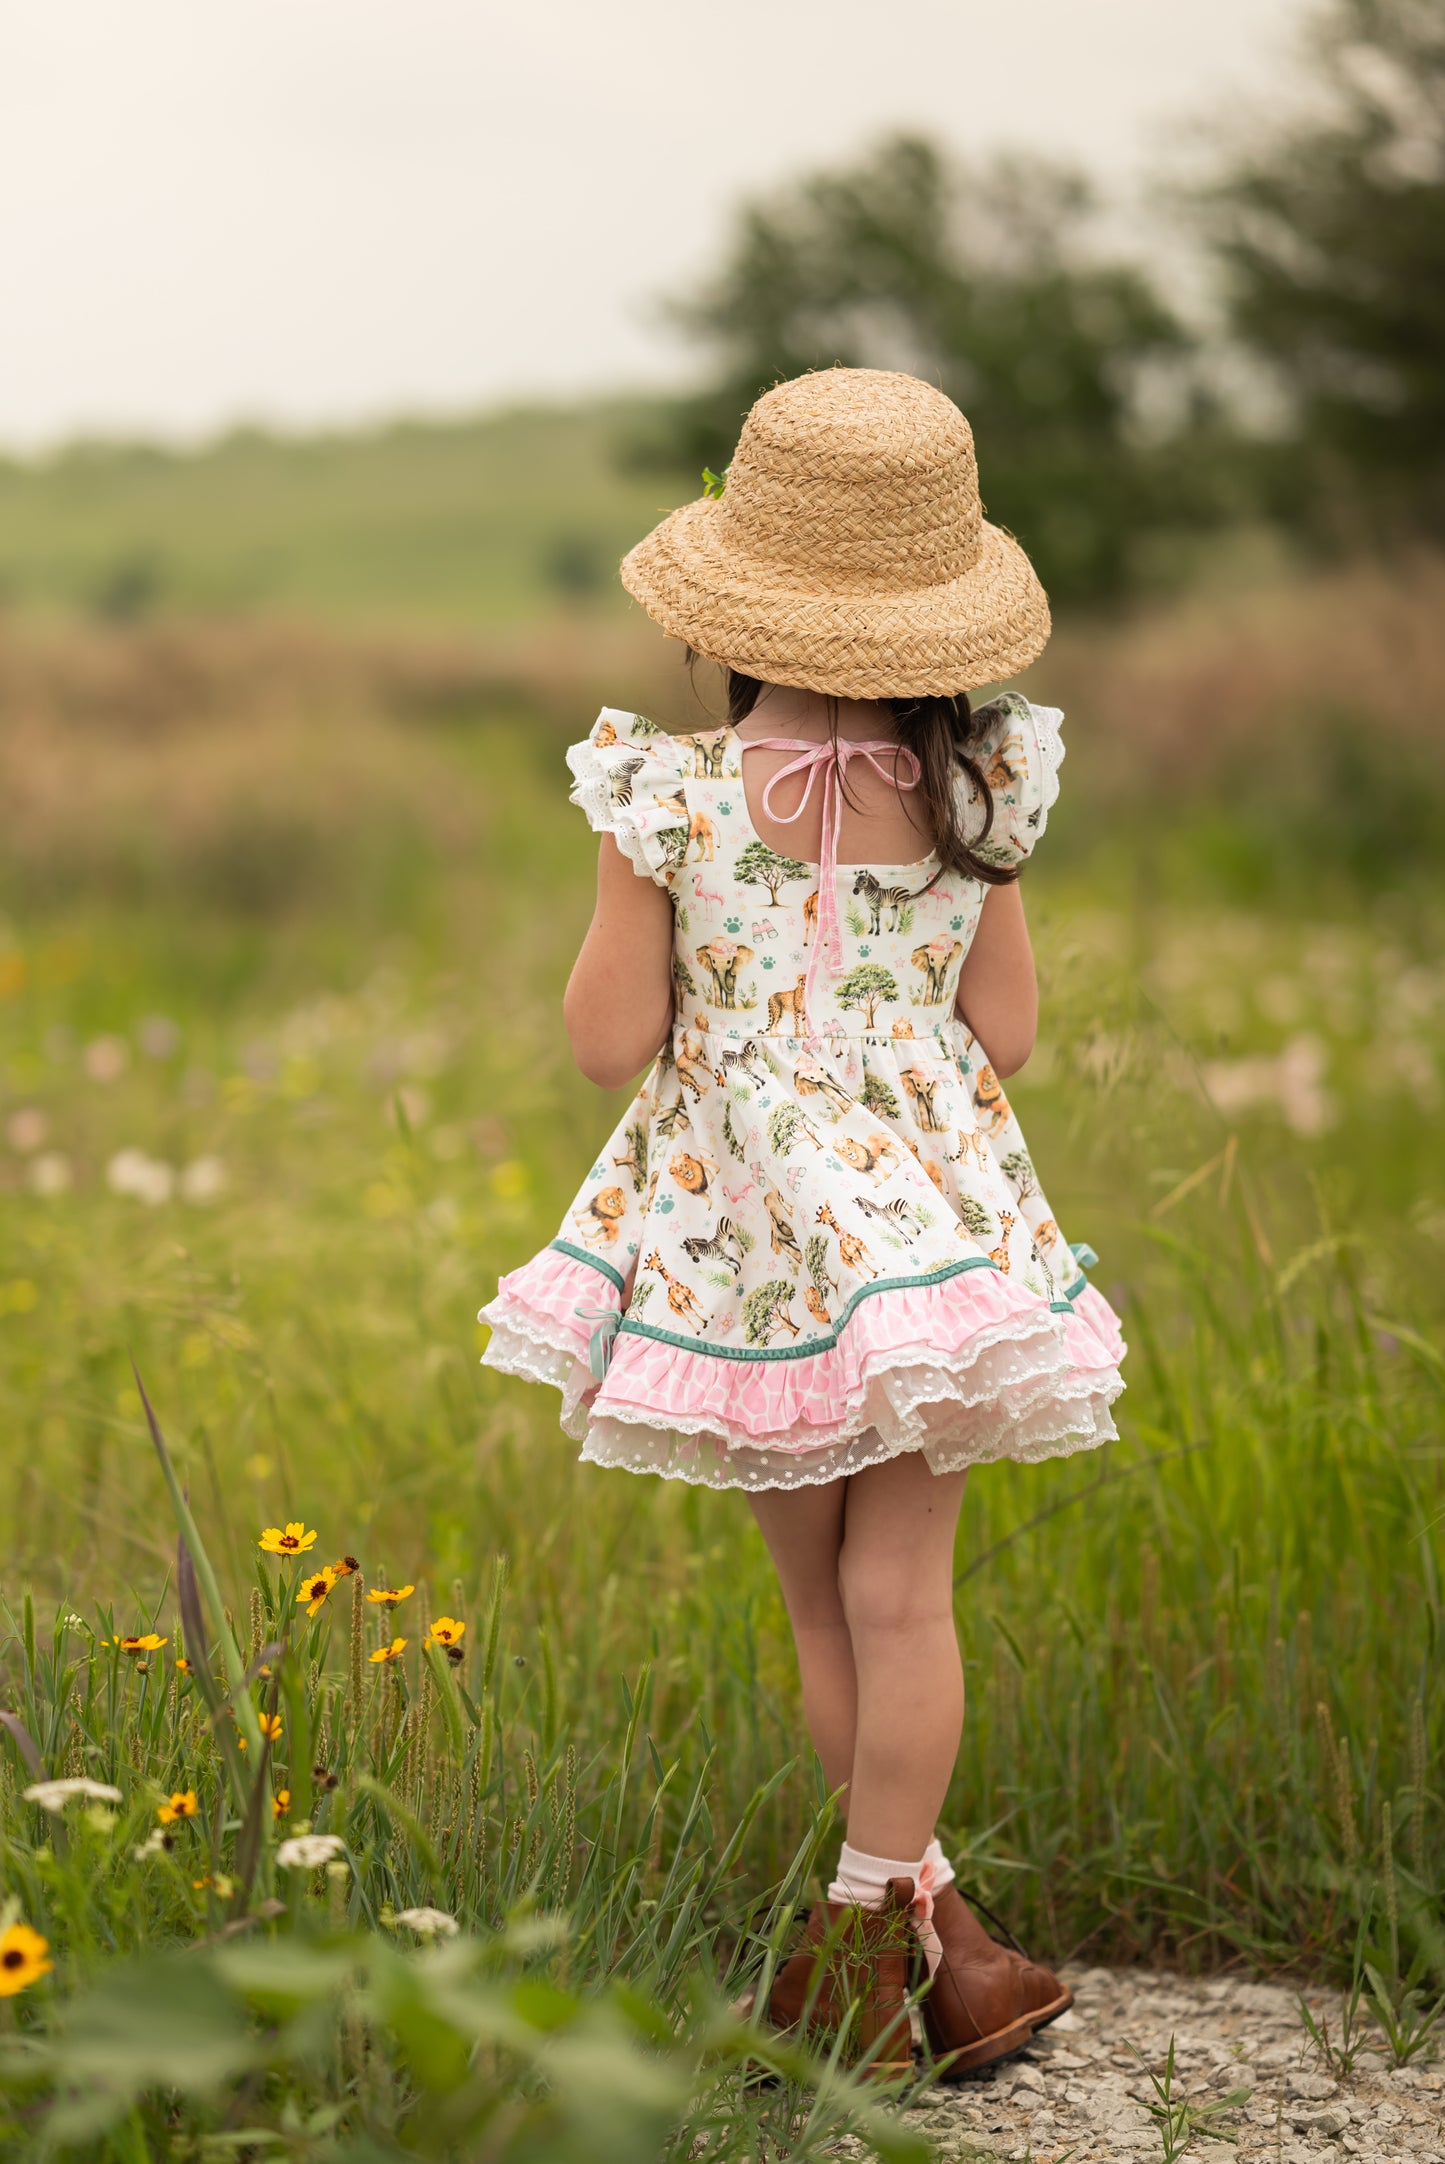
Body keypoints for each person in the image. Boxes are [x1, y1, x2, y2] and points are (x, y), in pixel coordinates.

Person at [479, 368, 1126, 2080]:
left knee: (822, 1611)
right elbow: (1003, 1037)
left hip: (745, 1244)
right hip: (924, 1237)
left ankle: (859, 1951)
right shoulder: (984, 784)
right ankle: (939, 1946)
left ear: (734, 604)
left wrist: (657, 912)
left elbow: (611, 1041)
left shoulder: (664, 797)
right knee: (906, 1598)